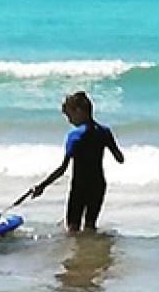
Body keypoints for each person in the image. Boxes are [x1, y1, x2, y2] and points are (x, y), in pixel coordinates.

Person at [30, 91, 124, 231]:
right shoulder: (104, 131)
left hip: (79, 187)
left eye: (69, 115)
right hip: (98, 185)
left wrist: (42, 186)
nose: (69, 120)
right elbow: (120, 158)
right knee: (90, 226)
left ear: (79, 111)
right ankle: (92, 250)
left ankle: (80, 251)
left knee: (73, 228)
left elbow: (63, 169)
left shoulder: (75, 136)